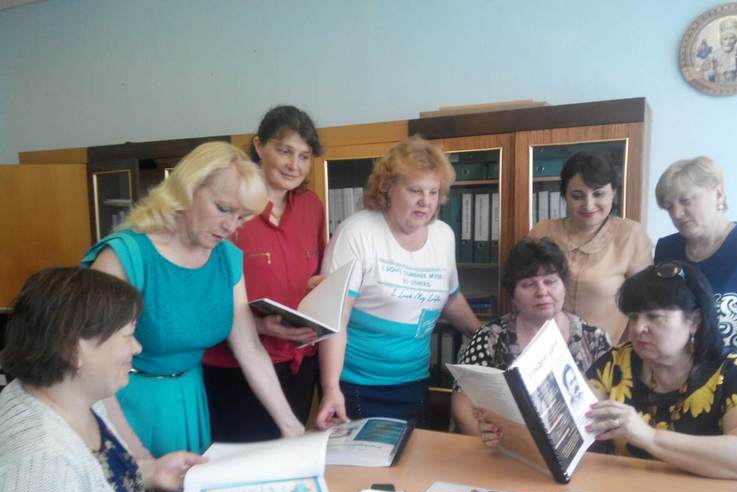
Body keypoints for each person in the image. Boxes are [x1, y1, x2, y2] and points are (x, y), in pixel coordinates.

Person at [83, 141, 304, 492]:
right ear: (186, 190)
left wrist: (291, 426)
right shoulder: (124, 256)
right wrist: (140, 458)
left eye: (241, 217)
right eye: (223, 209)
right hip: (124, 402)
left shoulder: (227, 259)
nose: (231, 227)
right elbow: (90, 369)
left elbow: (249, 348)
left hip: (190, 400)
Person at [0, 268, 247, 492]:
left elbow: (91, 487)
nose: (137, 347)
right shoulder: (39, 464)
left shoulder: (76, 397)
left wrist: (151, 473)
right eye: (128, 334)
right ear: (74, 348)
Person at [478, 261, 737, 479]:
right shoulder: (617, 361)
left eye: (654, 317)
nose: (638, 328)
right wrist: (511, 430)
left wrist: (648, 436)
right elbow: (567, 423)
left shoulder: (732, 370)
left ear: (694, 321)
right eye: (633, 317)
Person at [316, 136, 481, 428]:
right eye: (415, 190)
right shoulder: (358, 232)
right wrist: (330, 388)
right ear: (388, 188)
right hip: (357, 385)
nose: (425, 201)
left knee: (410, 455)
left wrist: (484, 336)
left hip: (414, 381)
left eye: (433, 192)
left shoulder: (443, 235)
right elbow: (335, 319)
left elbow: (451, 299)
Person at [204, 106, 325, 442]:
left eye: (304, 156)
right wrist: (257, 325)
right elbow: (203, 294)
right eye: (284, 151)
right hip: (235, 369)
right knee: (245, 464)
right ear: (259, 146)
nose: (294, 165)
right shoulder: (230, 209)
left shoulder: (312, 206)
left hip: (299, 363)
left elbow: (316, 273)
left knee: (289, 457)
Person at [452, 238, 612, 435]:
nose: (542, 292)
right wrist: (484, 436)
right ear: (513, 295)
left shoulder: (596, 339)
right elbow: (462, 403)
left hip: (581, 445)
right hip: (503, 444)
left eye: (550, 281)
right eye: (528, 284)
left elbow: (610, 406)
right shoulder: (490, 337)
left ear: (564, 286)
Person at [654, 156, 737, 356]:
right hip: (672, 372)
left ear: (718, 195)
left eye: (685, 200)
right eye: (669, 206)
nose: (676, 213)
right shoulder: (666, 249)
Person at [528, 152, 652, 342]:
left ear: (613, 192)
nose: (588, 204)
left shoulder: (630, 235)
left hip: (606, 351)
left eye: (598, 194)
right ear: (565, 195)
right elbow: (522, 290)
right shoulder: (542, 232)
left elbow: (644, 305)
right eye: (577, 196)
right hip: (545, 347)